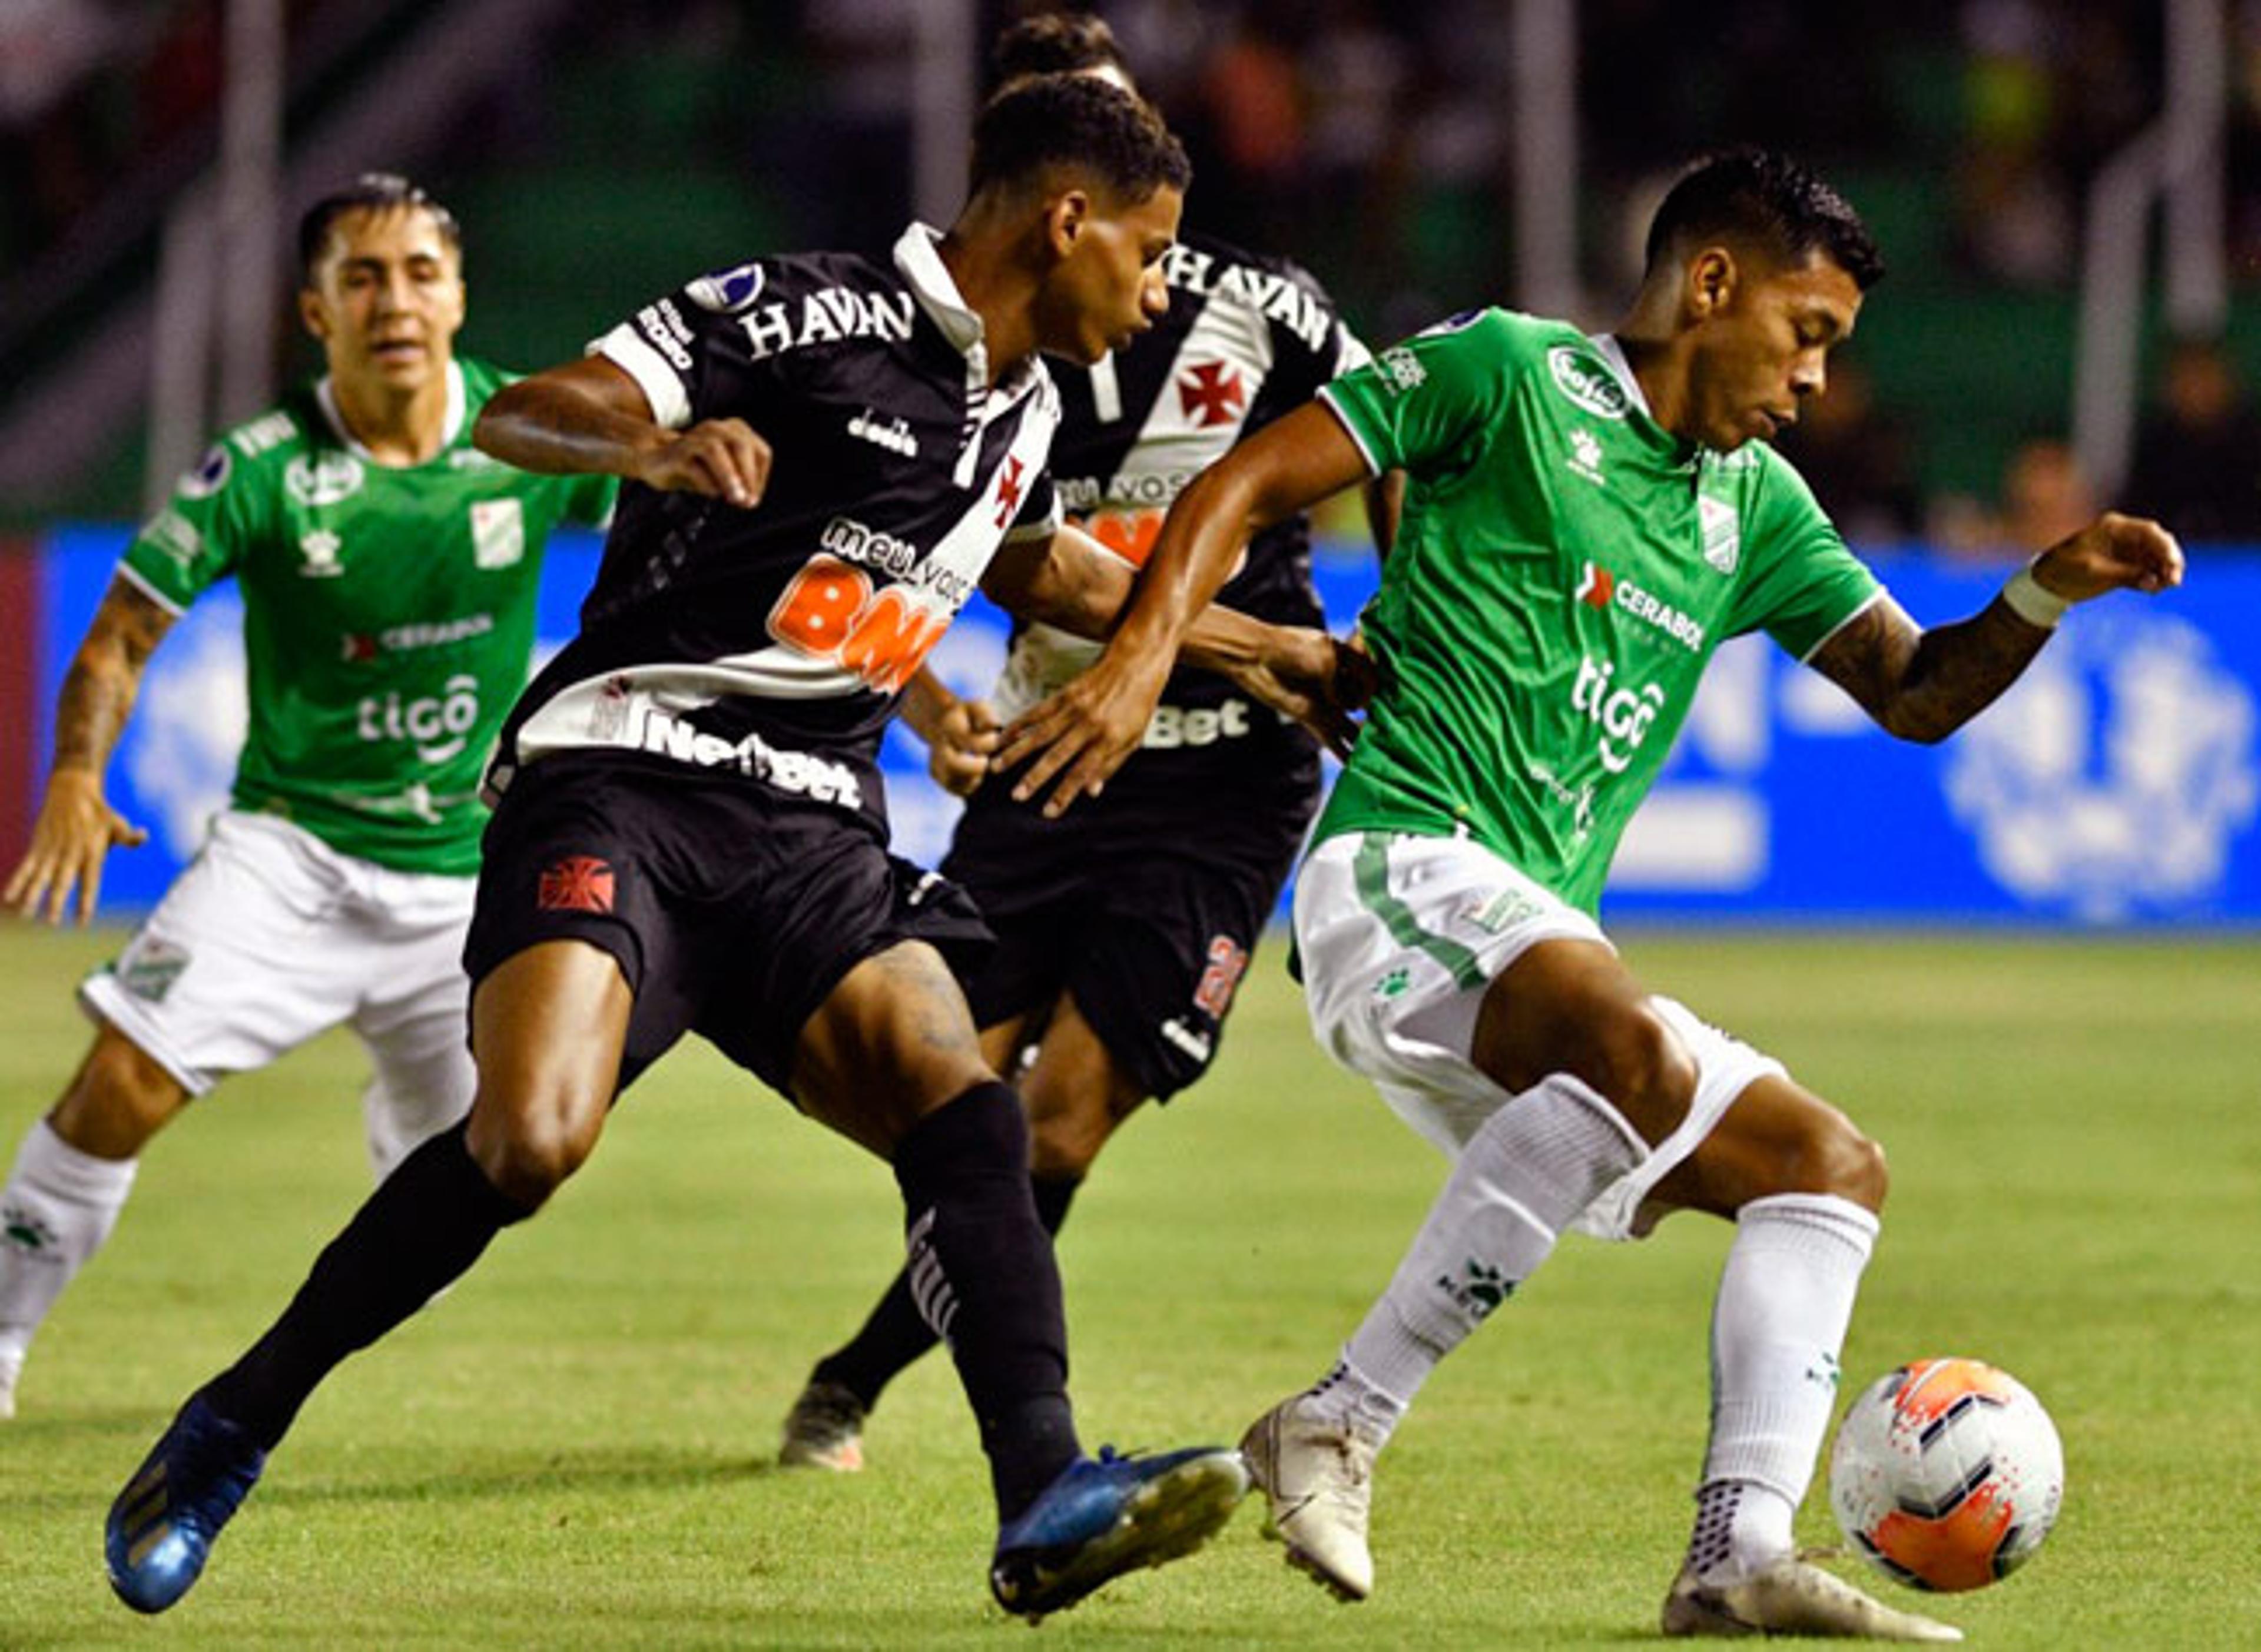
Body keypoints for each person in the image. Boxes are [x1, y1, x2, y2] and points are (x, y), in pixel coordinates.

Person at [101, 75, 1351, 1623]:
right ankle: (231, 1423)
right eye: (1151, 249)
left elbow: (1032, 563)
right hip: (624, 775)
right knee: (531, 1139)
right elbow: (525, 409)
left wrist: (1260, 648)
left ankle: (1044, 1493)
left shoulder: (1024, 409)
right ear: (1066, 222)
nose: (1160, 286)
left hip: (814, 827)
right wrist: (655, 442)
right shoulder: (809, 311)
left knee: (964, 1107)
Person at [1007, 147, 2182, 1638]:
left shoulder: (1753, 504)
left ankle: (1737, 1549)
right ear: (1710, 285)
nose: (1819, 380)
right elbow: (1244, 480)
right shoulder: (1504, 375)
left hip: (1534, 947)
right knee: (1633, 1048)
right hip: (1400, 869)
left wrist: (2042, 589)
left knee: (1825, 1166)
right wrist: (1137, 660)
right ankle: (1338, 1421)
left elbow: (1916, 690)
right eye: (1807, 334)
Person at [777, 8, 1392, 1478]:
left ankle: (862, 1386)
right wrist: (931, 707)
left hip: (1226, 781)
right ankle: (970, 1408)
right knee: (932, 1096)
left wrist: (1397, 649)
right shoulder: (968, 352)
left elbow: (1404, 457)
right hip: (1052, 761)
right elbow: (887, 549)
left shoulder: (1274, 315)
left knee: (1058, 1118)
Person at [0, 174, 614, 1422]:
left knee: (507, 1167)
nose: (395, 299)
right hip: (294, 858)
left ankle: (413, 1125)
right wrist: (74, 769)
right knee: (121, 1079)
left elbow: (677, 529)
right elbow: (119, 636)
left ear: (458, 295)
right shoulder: (263, 469)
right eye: (362, 277)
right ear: (315, 313)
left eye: (419, 273)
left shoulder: (534, 433)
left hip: (467, 877)